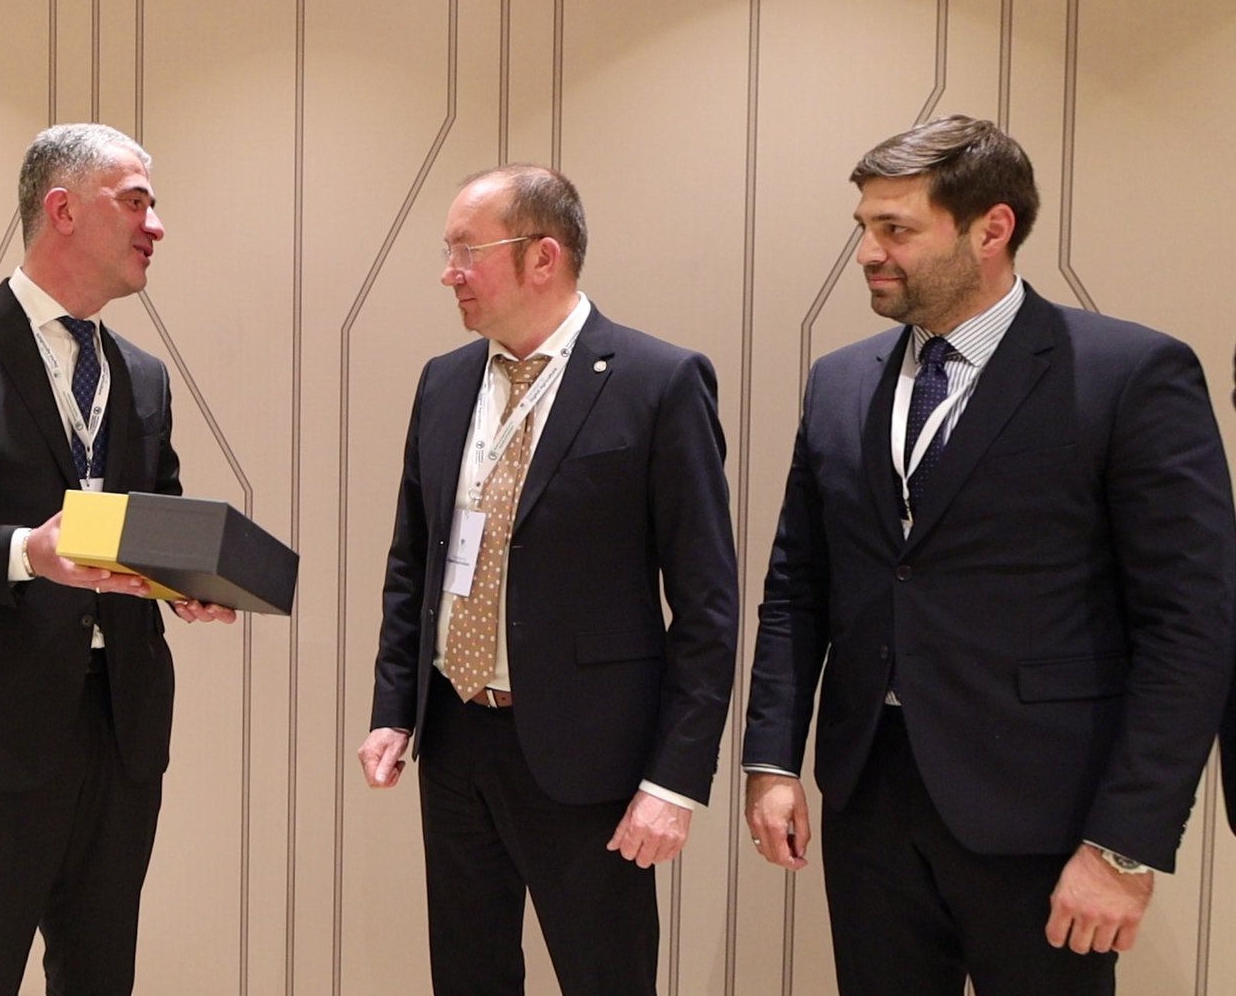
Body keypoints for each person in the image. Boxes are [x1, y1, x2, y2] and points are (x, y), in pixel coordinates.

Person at [743, 115, 1236, 995]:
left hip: (1049, 818)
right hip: (870, 802)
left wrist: (1124, 844)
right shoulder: (840, 381)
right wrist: (772, 761)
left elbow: (1192, 625)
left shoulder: (1129, 374)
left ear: (991, 229)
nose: (869, 252)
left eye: (896, 229)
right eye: (864, 227)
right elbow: (797, 588)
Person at [0, 122, 235, 995]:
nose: (156, 225)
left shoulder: (143, 374)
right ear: (62, 210)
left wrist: (189, 583)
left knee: (100, 974)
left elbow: (153, 518)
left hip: (122, 728)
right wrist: (27, 553)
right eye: (135, 201)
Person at [357, 164, 738, 994]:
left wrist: (674, 780)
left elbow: (708, 604)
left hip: (590, 755)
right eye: (447, 252)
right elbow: (413, 561)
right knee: (468, 975)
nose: (449, 272)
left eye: (467, 251)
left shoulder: (658, 382)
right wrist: (395, 707)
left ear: (543, 256)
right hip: (455, 738)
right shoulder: (445, 381)